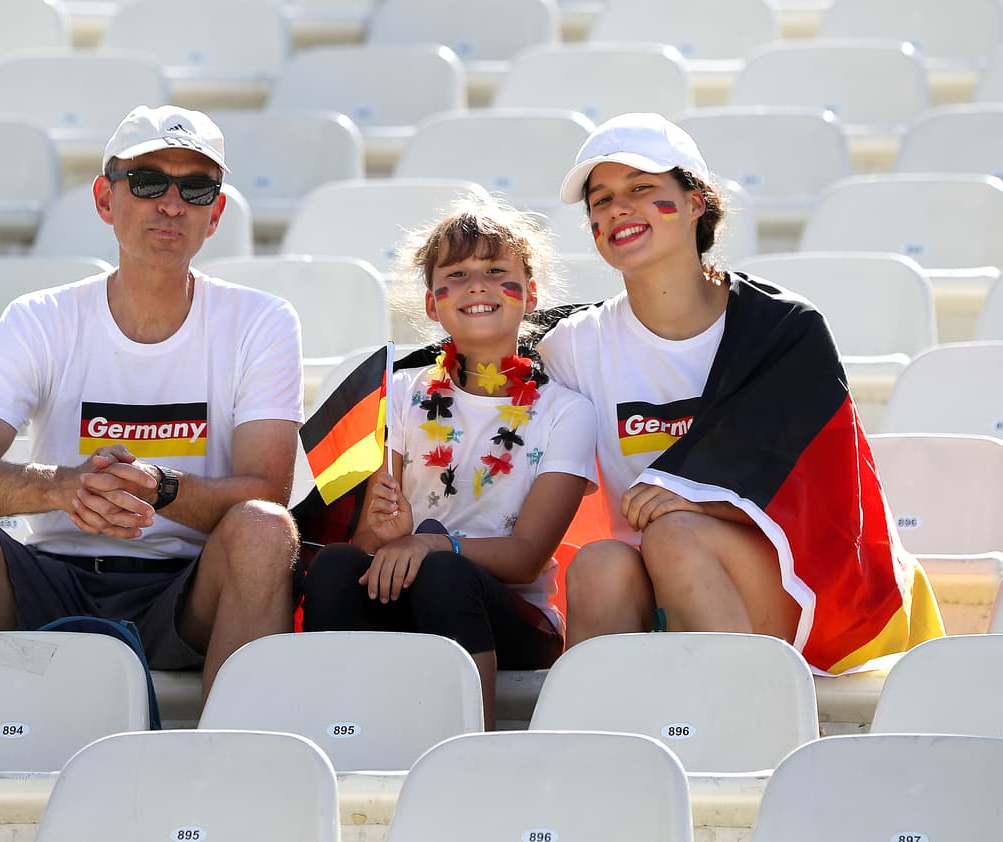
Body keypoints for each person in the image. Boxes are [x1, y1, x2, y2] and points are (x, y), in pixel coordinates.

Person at [0, 105, 305, 725]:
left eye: (195, 188)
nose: (171, 204)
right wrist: (62, 487)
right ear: (104, 199)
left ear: (216, 213)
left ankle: (231, 765)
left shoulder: (262, 321)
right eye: (148, 181)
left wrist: (159, 488)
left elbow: (267, 491)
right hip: (48, 578)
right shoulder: (41, 317)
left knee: (264, 529)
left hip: (187, 590)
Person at [537, 112, 942, 673]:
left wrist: (699, 499)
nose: (617, 209)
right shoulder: (571, 346)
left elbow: (826, 506)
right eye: (600, 200)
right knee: (599, 564)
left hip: (801, 589)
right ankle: (606, 727)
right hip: (652, 581)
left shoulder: (782, 329)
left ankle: (746, 714)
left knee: (675, 536)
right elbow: (476, 377)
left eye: (641, 188)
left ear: (695, 202)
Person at [300, 198, 598, 727]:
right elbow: (372, 544)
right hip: (410, 589)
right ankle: (340, 732)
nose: (477, 286)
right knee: (337, 566)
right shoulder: (400, 392)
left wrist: (434, 544)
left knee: (444, 573)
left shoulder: (566, 411)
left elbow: (527, 559)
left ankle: (470, 748)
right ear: (431, 304)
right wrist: (383, 536)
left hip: (513, 618)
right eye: (456, 275)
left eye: (496, 271)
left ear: (530, 295)